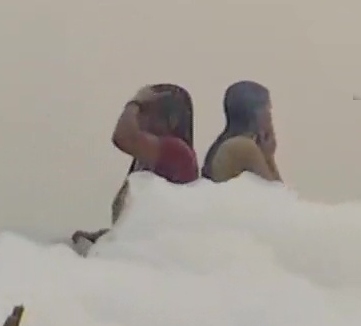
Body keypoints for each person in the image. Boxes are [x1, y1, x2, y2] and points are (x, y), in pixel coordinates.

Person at [73, 84, 197, 253]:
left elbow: (123, 138)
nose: (138, 119)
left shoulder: (176, 151)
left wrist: (135, 103)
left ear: (171, 119)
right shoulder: (148, 158)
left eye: (146, 113)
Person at [202, 81, 281, 183]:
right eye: (268, 109)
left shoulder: (228, 142)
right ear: (256, 112)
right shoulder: (243, 146)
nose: (270, 116)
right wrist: (269, 157)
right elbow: (275, 193)